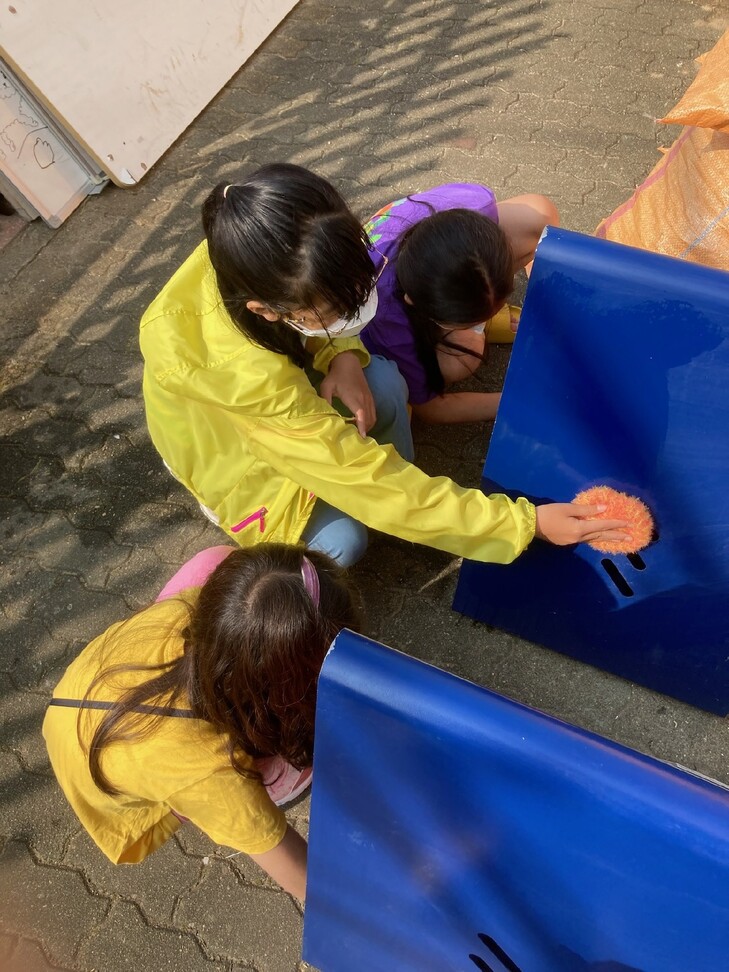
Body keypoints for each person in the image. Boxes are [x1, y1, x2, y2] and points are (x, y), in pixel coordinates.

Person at [140, 162, 628, 568]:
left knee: (381, 381)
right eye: (333, 316)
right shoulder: (246, 380)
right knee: (340, 545)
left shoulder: (265, 244)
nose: (353, 314)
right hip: (232, 453)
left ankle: (416, 509)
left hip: (283, 378)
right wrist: (525, 524)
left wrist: (344, 355)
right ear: (266, 310)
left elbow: (322, 321)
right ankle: (408, 514)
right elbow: (365, 482)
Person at [42, 544, 362, 900]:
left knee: (215, 557)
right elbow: (311, 886)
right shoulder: (212, 772)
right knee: (298, 764)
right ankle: (185, 799)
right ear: (285, 694)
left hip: (82, 690)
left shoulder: (203, 610)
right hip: (99, 778)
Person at [361, 184, 559, 424]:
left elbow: (541, 211)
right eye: (471, 322)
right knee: (463, 360)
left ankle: (479, 314)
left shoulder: (473, 208)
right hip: (388, 315)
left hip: (423, 272)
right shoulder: (387, 319)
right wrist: (517, 401)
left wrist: (547, 303)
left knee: (538, 217)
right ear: (414, 303)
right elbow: (431, 408)